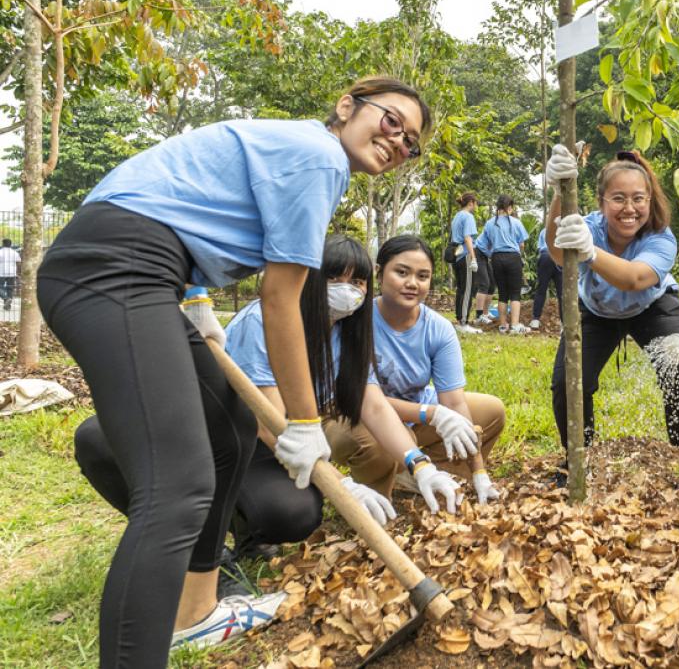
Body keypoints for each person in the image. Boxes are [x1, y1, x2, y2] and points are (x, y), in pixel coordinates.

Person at [36, 77, 429, 664]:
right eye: (393, 121)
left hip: (150, 267)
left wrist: (195, 298)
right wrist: (304, 423)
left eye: (411, 142)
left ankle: (197, 612)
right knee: (179, 488)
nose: (399, 141)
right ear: (347, 105)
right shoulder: (320, 155)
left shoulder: (298, 149)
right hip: (115, 267)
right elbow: (281, 298)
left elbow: (184, 202)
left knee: (229, 431)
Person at [70, 236, 461, 597]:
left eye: (357, 281)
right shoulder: (265, 321)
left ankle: (245, 529)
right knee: (99, 441)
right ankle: (200, 553)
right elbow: (268, 419)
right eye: (334, 278)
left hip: (260, 450)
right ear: (310, 278)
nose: (347, 290)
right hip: (214, 434)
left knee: (294, 514)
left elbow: (371, 404)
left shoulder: (347, 334)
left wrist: (420, 464)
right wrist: (341, 484)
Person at [544, 146, 679, 495]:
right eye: (618, 198)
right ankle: (576, 458)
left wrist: (590, 252)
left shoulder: (661, 236)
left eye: (638, 199)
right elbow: (558, 252)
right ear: (600, 201)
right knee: (568, 381)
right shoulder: (588, 227)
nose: (629, 208)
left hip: (651, 306)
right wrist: (560, 191)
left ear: (650, 200)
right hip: (595, 309)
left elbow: (635, 279)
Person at [327, 235, 506, 505]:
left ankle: (426, 475)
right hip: (354, 414)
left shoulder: (438, 328)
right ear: (379, 273)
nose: (412, 283)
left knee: (491, 411)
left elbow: (454, 402)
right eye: (402, 272)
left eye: (423, 276)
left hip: (414, 412)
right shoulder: (355, 319)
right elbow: (366, 402)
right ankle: (379, 489)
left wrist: (479, 470)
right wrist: (431, 414)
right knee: (380, 440)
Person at [477, 195, 530, 334]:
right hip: (513, 258)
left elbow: (483, 244)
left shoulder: (490, 223)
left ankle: (502, 325)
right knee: (515, 293)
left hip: (496, 258)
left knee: (502, 294)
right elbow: (522, 244)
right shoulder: (516, 222)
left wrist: (492, 253)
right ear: (509, 207)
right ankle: (515, 325)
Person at [448, 192, 482, 333]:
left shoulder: (457, 216)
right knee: (468, 289)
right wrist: (473, 258)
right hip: (465, 255)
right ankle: (463, 323)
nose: (476, 206)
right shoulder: (468, 216)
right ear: (471, 203)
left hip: (456, 256)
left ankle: (459, 319)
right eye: (476, 203)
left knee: (461, 289)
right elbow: (467, 238)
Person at [529, 227, 562, 331]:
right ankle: (564, 323)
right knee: (562, 293)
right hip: (560, 258)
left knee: (541, 290)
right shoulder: (565, 229)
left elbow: (540, 248)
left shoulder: (545, 230)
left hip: (545, 257)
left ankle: (535, 320)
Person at [0, 237, 19, 311]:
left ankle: (5, 298)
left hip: (1, 272)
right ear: (11, 244)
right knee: (10, 289)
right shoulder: (15, 253)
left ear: (3, 244)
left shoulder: (0, 252)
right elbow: (18, 263)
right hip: (12, 273)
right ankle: (8, 306)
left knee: (0, 287)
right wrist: (17, 272)